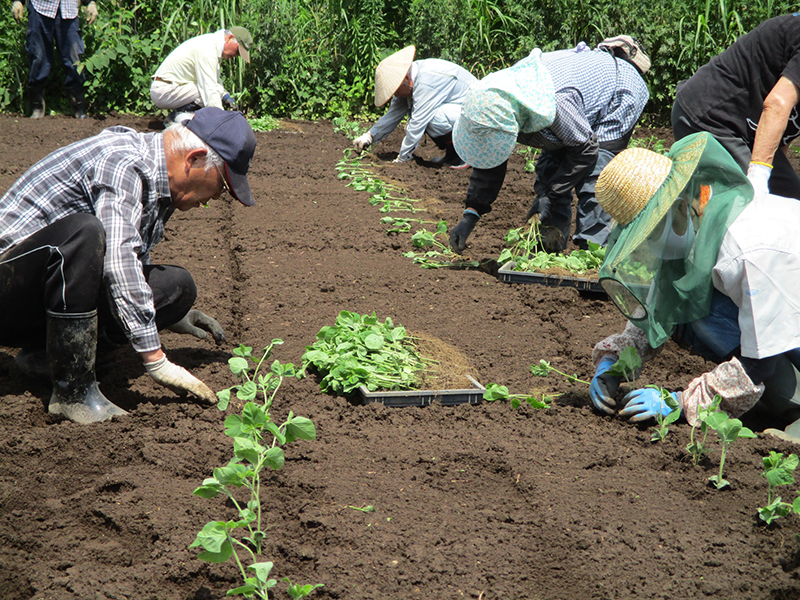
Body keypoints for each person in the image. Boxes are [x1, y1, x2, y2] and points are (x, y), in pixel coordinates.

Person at [0, 107, 257, 424]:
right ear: (194, 159)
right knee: (85, 232)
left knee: (176, 287)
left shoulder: (160, 182)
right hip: (8, 284)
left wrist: (170, 312)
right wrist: (157, 361)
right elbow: (119, 260)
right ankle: (73, 393)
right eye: (222, 184)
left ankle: (44, 357)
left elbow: (133, 261)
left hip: (46, 291)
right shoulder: (124, 162)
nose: (217, 197)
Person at [588, 131, 800, 442]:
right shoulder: (700, 222)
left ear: (677, 207)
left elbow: (760, 362)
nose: (649, 242)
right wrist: (615, 362)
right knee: (693, 310)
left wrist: (683, 401)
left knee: (721, 328)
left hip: (786, 331)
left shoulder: (748, 250)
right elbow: (660, 308)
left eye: (650, 231)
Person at [450, 37, 650, 254]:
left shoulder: (554, 102)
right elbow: (490, 155)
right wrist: (471, 213)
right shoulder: (498, 101)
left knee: (595, 181)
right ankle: (548, 250)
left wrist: (550, 195)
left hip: (617, 93)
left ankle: (593, 253)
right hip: (573, 108)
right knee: (550, 172)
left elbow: (586, 150)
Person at [672, 14, 800, 200]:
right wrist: (758, 182)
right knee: (747, 201)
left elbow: (785, 129)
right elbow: (777, 103)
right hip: (709, 117)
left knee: (790, 198)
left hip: (748, 130)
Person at [352, 45, 477, 169]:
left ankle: (465, 155)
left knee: (433, 118)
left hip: (474, 114)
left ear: (406, 78)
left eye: (396, 90)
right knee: (429, 116)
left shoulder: (426, 81)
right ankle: (452, 155)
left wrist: (403, 158)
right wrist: (369, 136)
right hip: (457, 111)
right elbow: (392, 115)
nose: (396, 95)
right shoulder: (409, 83)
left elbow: (417, 122)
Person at [11, 0, 98, 119]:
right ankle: (37, 106)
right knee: (38, 56)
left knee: (74, 58)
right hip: (40, 8)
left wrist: (91, 2)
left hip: (69, 9)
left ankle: (78, 106)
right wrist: (17, 1)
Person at [150, 27, 252, 115]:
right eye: (237, 50)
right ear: (230, 38)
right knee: (207, 93)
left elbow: (215, 81)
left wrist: (225, 96)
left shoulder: (211, 45)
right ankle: (177, 119)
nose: (236, 55)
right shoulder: (208, 50)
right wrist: (221, 119)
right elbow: (210, 89)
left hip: (173, 88)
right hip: (164, 90)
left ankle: (184, 119)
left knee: (213, 90)